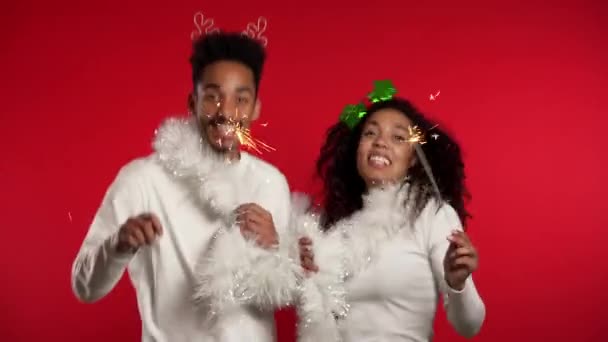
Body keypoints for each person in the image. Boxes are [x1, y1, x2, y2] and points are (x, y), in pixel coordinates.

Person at [70, 31, 296, 342]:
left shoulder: (272, 184)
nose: (226, 112)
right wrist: (117, 246)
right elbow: (85, 287)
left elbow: (281, 292)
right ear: (193, 101)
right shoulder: (142, 180)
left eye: (240, 99)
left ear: (255, 108)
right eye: (213, 96)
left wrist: (276, 248)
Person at [292, 85, 486, 342]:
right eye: (370, 133)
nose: (380, 142)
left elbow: (470, 325)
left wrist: (457, 284)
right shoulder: (336, 227)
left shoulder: (432, 214)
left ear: (414, 158)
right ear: (357, 150)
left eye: (398, 137)